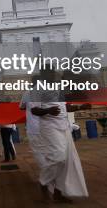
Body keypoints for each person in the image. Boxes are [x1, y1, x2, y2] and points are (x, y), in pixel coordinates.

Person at [26, 68, 89, 202]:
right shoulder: (37, 89)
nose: (53, 74)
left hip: (64, 126)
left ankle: (58, 192)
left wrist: (80, 107)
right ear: (43, 74)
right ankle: (43, 182)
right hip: (49, 127)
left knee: (67, 161)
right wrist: (48, 110)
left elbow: (65, 107)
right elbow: (34, 110)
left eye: (53, 72)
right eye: (50, 72)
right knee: (58, 157)